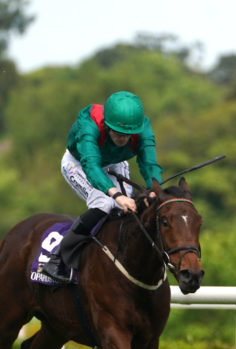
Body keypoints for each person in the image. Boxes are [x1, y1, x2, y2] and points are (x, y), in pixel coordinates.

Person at [42, 91, 163, 283]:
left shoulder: (143, 130)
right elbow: (91, 164)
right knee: (105, 203)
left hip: (115, 162)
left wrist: (154, 190)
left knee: (126, 209)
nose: (123, 138)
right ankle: (58, 259)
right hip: (80, 163)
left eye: (128, 134)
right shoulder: (89, 123)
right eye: (118, 132)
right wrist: (116, 195)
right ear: (106, 124)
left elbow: (150, 165)